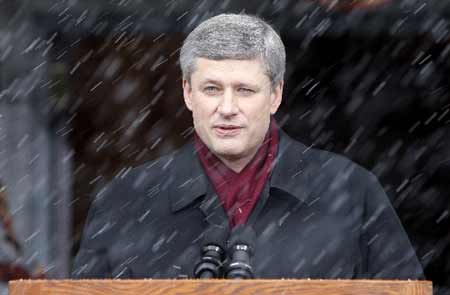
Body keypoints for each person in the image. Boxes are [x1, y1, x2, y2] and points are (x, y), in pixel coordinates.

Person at [72, 13, 424, 279]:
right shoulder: (126, 200)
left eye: (244, 90)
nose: (227, 108)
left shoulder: (351, 192)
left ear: (275, 94)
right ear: (187, 92)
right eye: (212, 89)